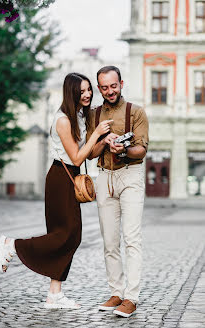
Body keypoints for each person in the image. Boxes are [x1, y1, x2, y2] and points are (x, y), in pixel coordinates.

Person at [0, 72, 113, 310]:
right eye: (82, 91)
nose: (88, 94)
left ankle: (54, 295)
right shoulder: (62, 120)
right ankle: (12, 244)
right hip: (60, 177)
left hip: (70, 176)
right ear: (70, 92)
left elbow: (88, 153)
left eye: (89, 89)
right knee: (65, 234)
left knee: (70, 235)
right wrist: (98, 134)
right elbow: (77, 156)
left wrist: (105, 142)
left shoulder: (80, 117)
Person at [87, 66, 149, 318]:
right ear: (99, 88)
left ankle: (131, 297)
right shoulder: (94, 115)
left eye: (113, 86)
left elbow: (142, 150)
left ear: (121, 84)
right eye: (104, 87)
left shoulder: (136, 112)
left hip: (130, 176)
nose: (109, 91)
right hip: (104, 177)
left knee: (131, 239)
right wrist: (103, 141)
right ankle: (116, 292)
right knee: (110, 241)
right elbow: (89, 153)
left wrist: (121, 149)